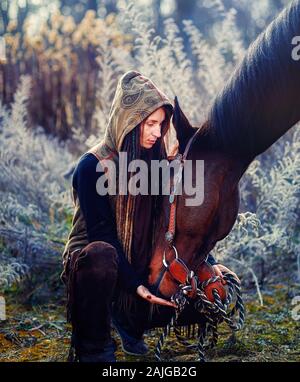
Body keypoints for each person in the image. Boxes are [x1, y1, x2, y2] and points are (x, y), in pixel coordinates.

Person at [61, 70, 232, 362]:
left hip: (140, 264)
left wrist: (205, 266)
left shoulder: (156, 165)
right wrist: (137, 287)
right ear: (129, 121)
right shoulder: (93, 167)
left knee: (216, 290)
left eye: (162, 125)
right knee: (100, 256)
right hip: (97, 271)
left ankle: (131, 324)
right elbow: (103, 235)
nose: (157, 132)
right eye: (150, 123)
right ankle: (94, 346)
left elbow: (173, 221)